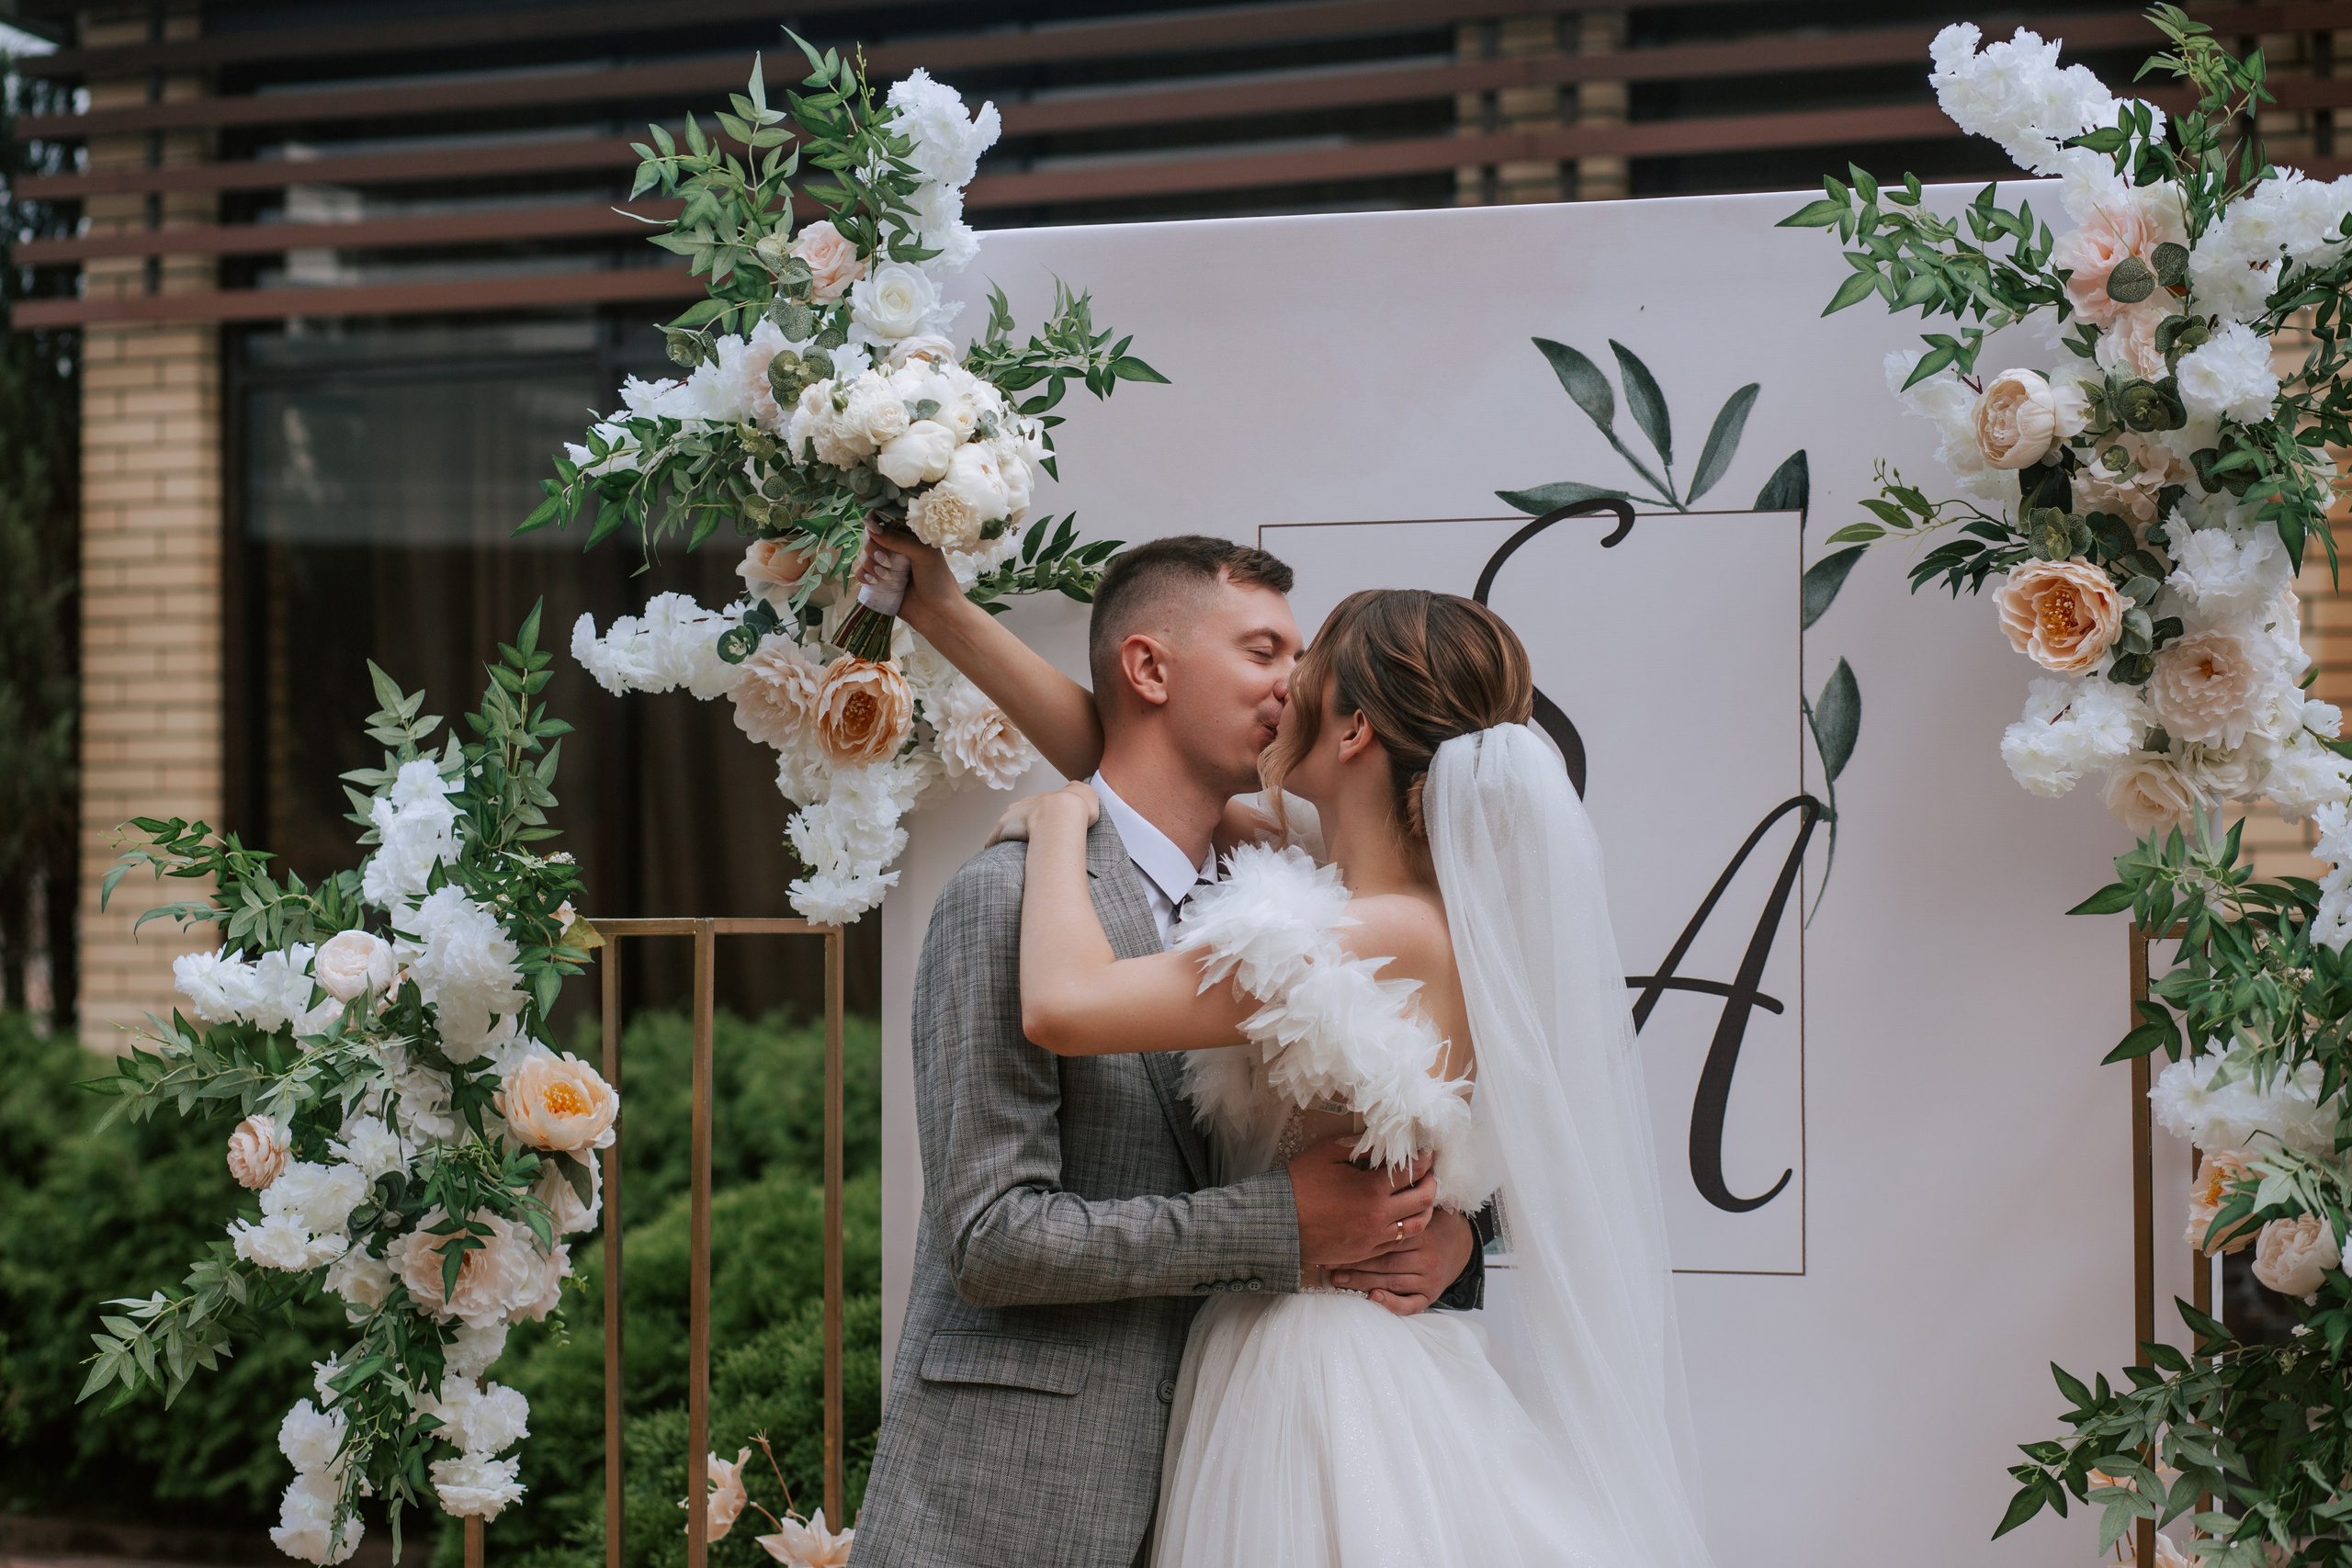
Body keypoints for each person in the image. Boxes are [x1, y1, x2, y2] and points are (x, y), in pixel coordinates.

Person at [851, 536, 1487, 1568]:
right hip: (1022, 1507)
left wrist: (1448, 1236)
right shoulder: (1011, 903)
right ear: (1150, 669)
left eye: (1305, 666)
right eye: (1266, 653)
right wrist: (945, 614)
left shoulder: (1308, 893)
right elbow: (991, 1237)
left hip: (1261, 1467)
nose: (1292, 686)